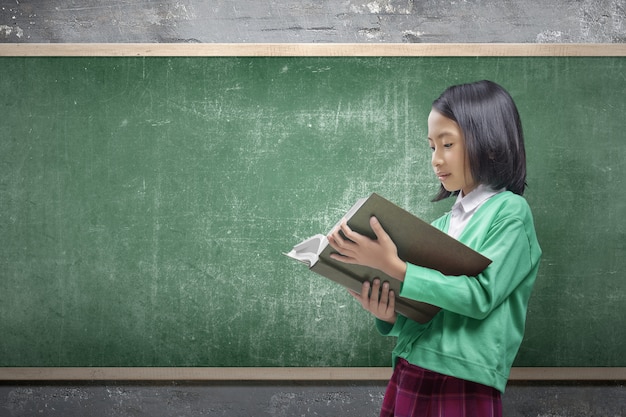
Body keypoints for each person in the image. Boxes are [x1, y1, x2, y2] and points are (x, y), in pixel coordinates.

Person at [327, 80, 542, 417]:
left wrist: (396, 268)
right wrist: (389, 315)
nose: (436, 160)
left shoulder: (511, 213)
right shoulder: (443, 226)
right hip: (412, 366)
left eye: (448, 144)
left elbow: (480, 297)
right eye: (432, 147)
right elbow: (430, 311)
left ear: (490, 144)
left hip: (464, 378)